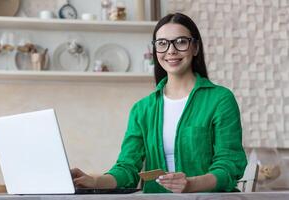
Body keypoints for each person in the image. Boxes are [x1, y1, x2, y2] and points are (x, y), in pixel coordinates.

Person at [71, 12, 247, 193]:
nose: (171, 50)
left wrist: (191, 185)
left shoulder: (220, 100)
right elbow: (127, 168)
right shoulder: (142, 109)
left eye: (180, 41)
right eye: (162, 43)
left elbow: (230, 164)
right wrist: (93, 181)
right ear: (155, 50)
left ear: (195, 47)